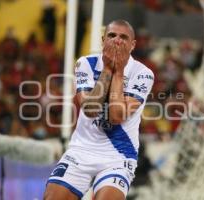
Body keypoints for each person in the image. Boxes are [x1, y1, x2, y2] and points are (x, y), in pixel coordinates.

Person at [44, 19, 154, 200]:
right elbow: (90, 109)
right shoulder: (85, 63)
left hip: (118, 156)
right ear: (103, 40)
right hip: (82, 150)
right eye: (112, 35)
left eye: (123, 37)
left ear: (132, 45)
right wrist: (108, 71)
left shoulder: (142, 73)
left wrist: (118, 72)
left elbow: (116, 116)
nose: (117, 41)